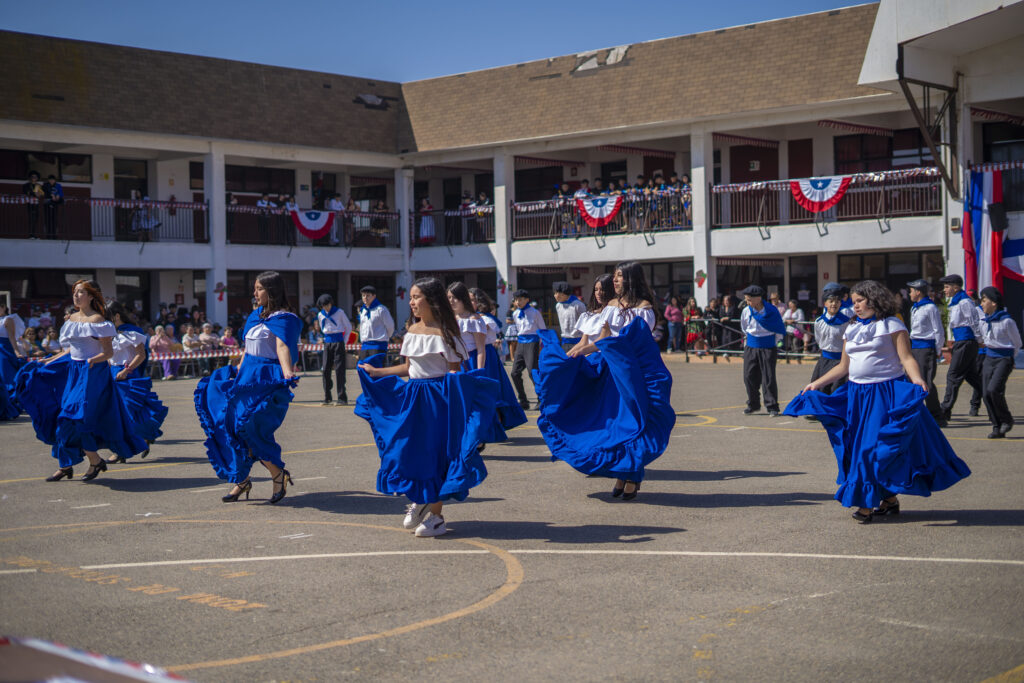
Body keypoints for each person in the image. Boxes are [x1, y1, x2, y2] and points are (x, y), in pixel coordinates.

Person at [783, 280, 971, 523]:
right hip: (857, 397)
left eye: (860, 301)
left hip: (885, 396)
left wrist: (917, 379)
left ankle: (865, 504)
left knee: (872, 449)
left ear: (874, 299)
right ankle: (889, 499)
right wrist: (817, 383)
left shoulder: (892, 324)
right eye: (854, 302)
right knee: (859, 448)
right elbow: (843, 366)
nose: (856, 306)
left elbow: (906, 358)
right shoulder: (851, 328)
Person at [355, 277, 498, 537]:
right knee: (406, 449)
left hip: (438, 399)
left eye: (416, 297)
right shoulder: (411, 331)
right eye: (410, 297)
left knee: (435, 454)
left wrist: (460, 410)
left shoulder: (447, 331)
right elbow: (409, 369)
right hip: (413, 396)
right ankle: (420, 500)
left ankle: (437, 516)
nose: (411, 302)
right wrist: (378, 371)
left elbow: (455, 372)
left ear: (431, 300)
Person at [533, 262, 675, 501]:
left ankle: (632, 476)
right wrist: (578, 352)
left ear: (630, 279)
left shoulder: (644, 309)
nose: (615, 281)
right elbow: (603, 340)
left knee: (635, 422)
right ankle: (623, 474)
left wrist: (593, 348)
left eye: (619, 277)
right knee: (616, 424)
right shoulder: (610, 307)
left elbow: (633, 342)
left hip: (633, 373)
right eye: (616, 276)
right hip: (610, 371)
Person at [194, 271, 302, 504]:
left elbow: (283, 346)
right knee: (230, 427)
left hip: (265, 379)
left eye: (259, 288)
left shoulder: (285, 318)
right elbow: (247, 349)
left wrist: (287, 371)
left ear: (272, 291)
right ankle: (241, 480)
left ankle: (277, 474)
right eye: (254, 288)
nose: (254, 293)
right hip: (246, 378)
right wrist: (237, 371)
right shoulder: (254, 316)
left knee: (250, 430)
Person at [40, 281, 147, 481]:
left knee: (79, 417)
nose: (76, 295)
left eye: (81, 292)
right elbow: (70, 349)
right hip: (74, 372)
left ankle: (94, 461)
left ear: (90, 296)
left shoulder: (98, 320)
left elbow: (108, 352)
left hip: (92, 374)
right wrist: (49, 359)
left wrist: (92, 360)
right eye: (75, 292)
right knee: (64, 418)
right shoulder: (71, 319)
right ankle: (69, 464)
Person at [105, 301, 167, 461]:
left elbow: (141, 355)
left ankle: (127, 447)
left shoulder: (132, 332)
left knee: (128, 413)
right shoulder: (110, 334)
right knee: (115, 415)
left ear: (117, 316)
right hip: (112, 375)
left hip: (127, 375)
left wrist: (126, 370)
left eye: (107, 317)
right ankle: (126, 448)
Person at [938, 274, 984, 421]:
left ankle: (945, 409)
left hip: (966, 342)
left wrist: (979, 339)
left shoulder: (965, 302)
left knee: (953, 375)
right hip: (961, 341)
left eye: (947, 286)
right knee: (971, 376)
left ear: (956, 287)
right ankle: (992, 394)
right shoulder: (956, 302)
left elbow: (974, 321)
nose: (944, 290)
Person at [978, 287, 1021, 438]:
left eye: (984, 300)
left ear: (994, 303)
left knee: (993, 390)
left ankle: (1006, 420)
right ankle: (996, 426)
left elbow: (1017, 342)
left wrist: (1010, 358)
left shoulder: (1006, 321)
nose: (981, 304)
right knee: (985, 393)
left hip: (1003, 358)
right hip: (989, 358)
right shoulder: (985, 320)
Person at [740, 285, 786, 416]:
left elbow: (778, 327)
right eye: (746, 300)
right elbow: (744, 328)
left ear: (758, 298)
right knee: (748, 376)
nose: (747, 302)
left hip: (768, 346)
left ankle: (772, 406)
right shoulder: (746, 311)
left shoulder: (771, 311)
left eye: (749, 300)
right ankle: (753, 404)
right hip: (751, 345)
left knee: (768, 377)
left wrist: (775, 343)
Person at [906, 279, 946, 425]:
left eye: (911, 290)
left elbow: (938, 330)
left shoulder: (930, 307)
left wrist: (937, 350)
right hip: (915, 347)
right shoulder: (914, 308)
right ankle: (916, 413)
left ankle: (937, 415)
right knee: (912, 379)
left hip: (926, 348)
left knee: (926, 382)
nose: (909, 293)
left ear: (918, 292)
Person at [809, 289, 851, 396]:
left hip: (840, 360)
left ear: (840, 303)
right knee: (821, 389)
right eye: (831, 301)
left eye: (837, 301)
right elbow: (818, 339)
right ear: (825, 304)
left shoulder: (846, 322)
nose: (834, 304)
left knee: (837, 390)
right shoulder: (819, 322)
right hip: (824, 360)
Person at [509, 289, 546, 411]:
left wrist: (543, 346)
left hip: (532, 342)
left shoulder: (535, 313)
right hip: (521, 342)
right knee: (514, 372)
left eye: (520, 299)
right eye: (516, 300)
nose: (518, 302)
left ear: (527, 300)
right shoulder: (515, 314)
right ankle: (523, 400)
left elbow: (543, 329)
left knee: (532, 371)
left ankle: (541, 399)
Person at [316, 293, 352, 406]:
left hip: (338, 341)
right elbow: (323, 329)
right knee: (326, 369)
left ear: (331, 303)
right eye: (323, 306)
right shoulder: (320, 315)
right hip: (327, 342)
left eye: (327, 305)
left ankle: (342, 397)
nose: (325, 308)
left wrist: (343, 342)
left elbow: (348, 327)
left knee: (339, 370)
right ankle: (327, 397)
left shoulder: (339, 312)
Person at [357, 285, 395, 368]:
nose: (365, 298)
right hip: (365, 345)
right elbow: (362, 327)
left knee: (377, 371)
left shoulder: (381, 309)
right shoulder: (363, 311)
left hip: (378, 344)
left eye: (368, 295)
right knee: (362, 369)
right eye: (363, 295)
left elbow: (390, 326)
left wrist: (384, 337)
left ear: (374, 296)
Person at [0, 301, 26, 420]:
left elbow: (11, 337)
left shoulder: (8, 319)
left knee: (6, 379)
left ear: (4, 307)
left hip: (5, 350)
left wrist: (16, 351)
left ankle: (9, 408)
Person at [552, 281, 586, 353]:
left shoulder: (578, 305)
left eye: (556, 293)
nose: (554, 295)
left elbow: (585, 323)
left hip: (578, 341)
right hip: (565, 341)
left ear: (563, 293)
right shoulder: (558, 306)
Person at [22, 171, 44, 238]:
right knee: (31, 218)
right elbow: (27, 192)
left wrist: (35, 193)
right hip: (29, 203)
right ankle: (31, 234)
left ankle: (33, 234)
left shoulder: (38, 185)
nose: (34, 178)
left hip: (36, 203)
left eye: (35, 177)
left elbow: (40, 194)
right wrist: (34, 193)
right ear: (30, 178)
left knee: (35, 219)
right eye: (32, 177)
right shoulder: (26, 185)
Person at [42, 174, 64, 239]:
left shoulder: (58, 185)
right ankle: (48, 235)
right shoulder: (45, 185)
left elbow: (61, 193)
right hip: (47, 204)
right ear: (48, 180)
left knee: (54, 219)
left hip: (55, 204)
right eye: (50, 180)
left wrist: (58, 195)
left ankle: (54, 235)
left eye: (53, 180)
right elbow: (44, 191)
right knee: (47, 219)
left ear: (55, 180)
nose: (51, 181)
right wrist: (52, 195)